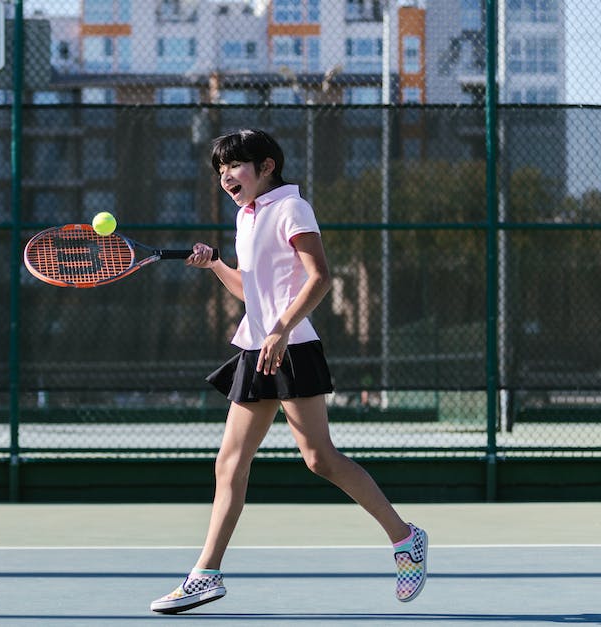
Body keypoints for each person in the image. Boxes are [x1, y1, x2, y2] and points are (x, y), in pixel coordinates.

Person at [149, 128, 428, 614]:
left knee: (319, 459)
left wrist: (280, 331)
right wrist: (215, 264)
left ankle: (405, 539)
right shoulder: (246, 216)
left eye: (234, 166)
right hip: (257, 348)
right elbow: (251, 291)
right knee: (229, 463)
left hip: (291, 346)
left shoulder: (291, 209)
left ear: (266, 166)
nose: (225, 176)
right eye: (220, 170)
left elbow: (319, 276)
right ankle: (205, 574)